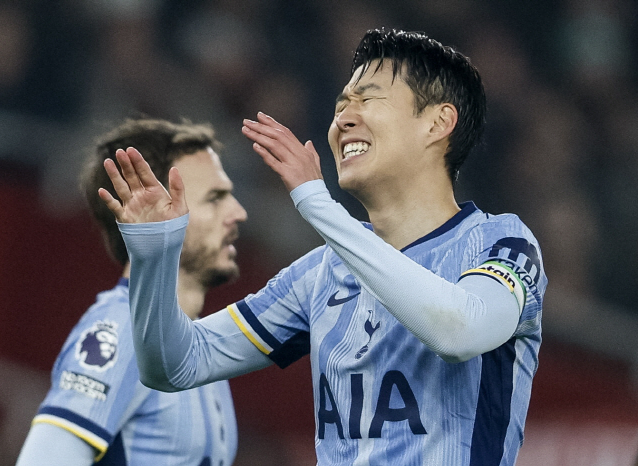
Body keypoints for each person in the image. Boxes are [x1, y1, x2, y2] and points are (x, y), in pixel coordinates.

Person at [100, 29, 547, 465]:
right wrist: (154, 257)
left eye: (367, 99)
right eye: (341, 105)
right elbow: (175, 365)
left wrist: (318, 204)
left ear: (437, 123)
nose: (343, 119)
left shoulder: (501, 243)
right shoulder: (321, 273)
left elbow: (459, 331)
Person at [16, 118, 247, 465]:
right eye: (215, 199)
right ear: (154, 213)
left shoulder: (200, 341)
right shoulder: (124, 329)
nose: (238, 213)